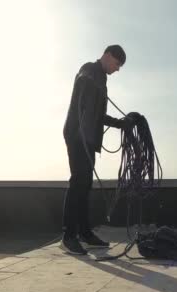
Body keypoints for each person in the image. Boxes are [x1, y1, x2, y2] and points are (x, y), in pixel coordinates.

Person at [60, 45, 135, 255]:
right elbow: (83, 78)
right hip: (77, 135)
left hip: (89, 138)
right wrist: (88, 82)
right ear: (108, 55)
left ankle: (84, 233)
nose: (118, 69)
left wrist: (122, 123)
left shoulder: (102, 79)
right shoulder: (90, 70)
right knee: (78, 181)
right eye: (117, 64)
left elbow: (98, 115)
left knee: (85, 186)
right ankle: (68, 236)